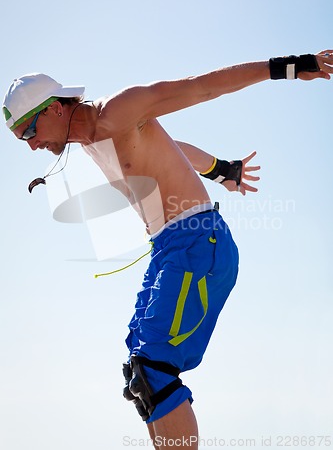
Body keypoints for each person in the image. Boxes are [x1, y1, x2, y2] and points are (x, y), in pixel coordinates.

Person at [3, 50, 332, 449]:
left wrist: (294, 66)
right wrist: (221, 170)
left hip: (197, 241)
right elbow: (173, 148)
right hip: (168, 250)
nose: (32, 145)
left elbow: (200, 87)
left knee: (155, 369)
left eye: (27, 132)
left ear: (53, 108)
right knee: (139, 374)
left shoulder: (120, 110)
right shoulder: (92, 142)